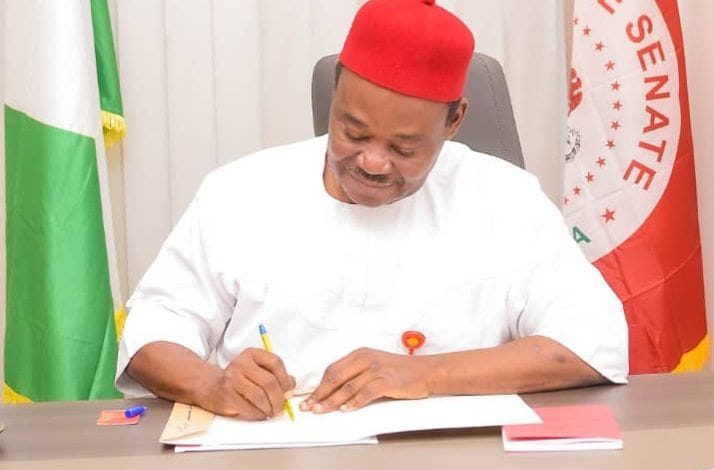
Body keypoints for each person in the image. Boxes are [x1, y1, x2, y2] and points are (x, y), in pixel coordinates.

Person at [116, 0, 628, 420]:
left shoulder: (505, 198)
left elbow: (593, 343)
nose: (373, 163)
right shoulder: (240, 192)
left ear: (454, 121)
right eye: (353, 133)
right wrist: (211, 383)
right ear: (337, 91)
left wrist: (423, 374)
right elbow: (150, 334)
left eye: (405, 147)